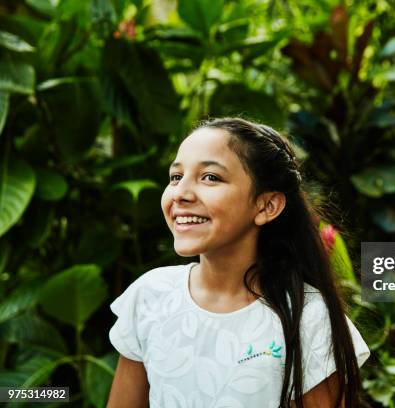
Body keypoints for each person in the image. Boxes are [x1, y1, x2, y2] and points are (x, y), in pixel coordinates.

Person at [107, 117, 370, 408]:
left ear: (266, 205)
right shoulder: (151, 297)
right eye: (175, 177)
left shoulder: (309, 319)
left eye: (210, 177)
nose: (181, 193)